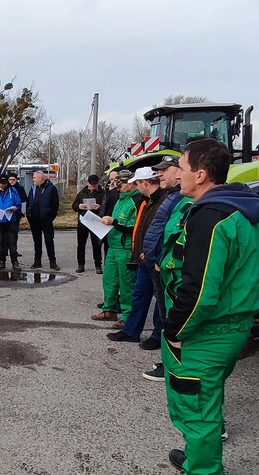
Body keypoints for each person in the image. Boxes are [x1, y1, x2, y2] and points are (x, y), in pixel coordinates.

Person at [160, 139, 259, 473]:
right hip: (235, 324)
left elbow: (199, 289)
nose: (176, 174)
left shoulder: (211, 217)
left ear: (201, 174)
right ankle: (198, 456)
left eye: (181, 168)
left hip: (206, 331)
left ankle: (204, 468)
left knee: (196, 408)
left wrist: (175, 331)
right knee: (208, 397)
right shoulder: (251, 210)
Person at [106, 167, 166, 343]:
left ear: (144, 183)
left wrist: (149, 252)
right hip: (142, 255)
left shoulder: (160, 201)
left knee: (159, 298)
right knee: (139, 294)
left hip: (151, 256)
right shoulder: (146, 201)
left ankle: (158, 335)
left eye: (137, 183)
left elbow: (157, 231)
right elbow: (142, 228)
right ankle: (131, 331)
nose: (135, 187)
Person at [140, 156, 185, 380]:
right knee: (165, 311)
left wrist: (160, 258)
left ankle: (173, 367)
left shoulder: (181, 200)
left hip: (165, 265)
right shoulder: (173, 196)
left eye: (164, 170)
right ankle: (170, 362)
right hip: (157, 261)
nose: (159, 174)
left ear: (179, 171)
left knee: (171, 314)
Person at [91, 169, 138, 325]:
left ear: (131, 184)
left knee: (126, 285)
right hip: (113, 246)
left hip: (125, 249)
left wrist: (114, 222)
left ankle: (127, 316)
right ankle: (109, 309)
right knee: (109, 280)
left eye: (121, 184)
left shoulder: (136, 201)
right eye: (116, 183)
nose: (117, 187)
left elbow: (135, 227)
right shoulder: (120, 199)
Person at [26, 170, 61, 270]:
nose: (33, 179)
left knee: (49, 241)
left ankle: (52, 262)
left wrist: (50, 218)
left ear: (40, 179)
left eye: (34, 178)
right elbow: (29, 203)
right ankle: (37, 261)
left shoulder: (51, 188)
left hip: (46, 220)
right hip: (34, 220)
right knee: (37, 241)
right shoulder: (33, 188)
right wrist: (29, 215)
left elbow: (55, 205)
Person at [0, 174, 22, 270]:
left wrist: (16, 208)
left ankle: (14, 262)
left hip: (11, 220)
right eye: (2, 183)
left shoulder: (13, 191)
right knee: (0, 242)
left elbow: (19, 204)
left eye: (5, 183)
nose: (3, 185)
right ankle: (2, 261)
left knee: (12, 242)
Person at [73, 174, 105, 273]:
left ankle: (98, 265)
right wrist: (79, 206)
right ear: (88, 184)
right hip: (83, 221)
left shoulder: (102, 194)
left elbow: (106, 207)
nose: (92, 187)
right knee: (81, 244)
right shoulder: (82, 193)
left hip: (95, 221)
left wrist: (99, 207)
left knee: (96, 244)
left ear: (98, 184)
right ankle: (81, 265)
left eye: (94, 185)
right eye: (91, 185)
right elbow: (74, 206)